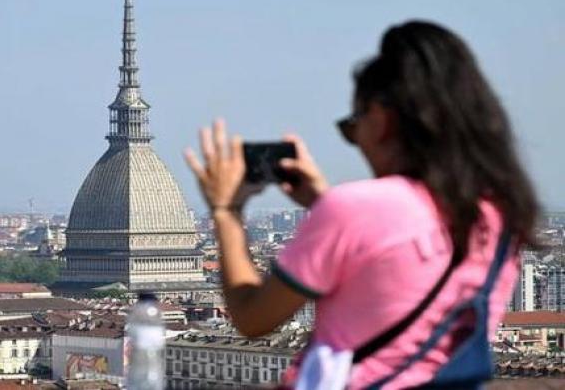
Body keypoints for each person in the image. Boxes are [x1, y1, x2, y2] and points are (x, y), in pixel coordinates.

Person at [184, 21, 538, 389]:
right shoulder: (501, 215)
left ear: (382, 120)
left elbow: (251, 317)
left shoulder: (354, 210)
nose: (356, 142)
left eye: (352, 125)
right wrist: (323, 203)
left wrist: (227, 210)